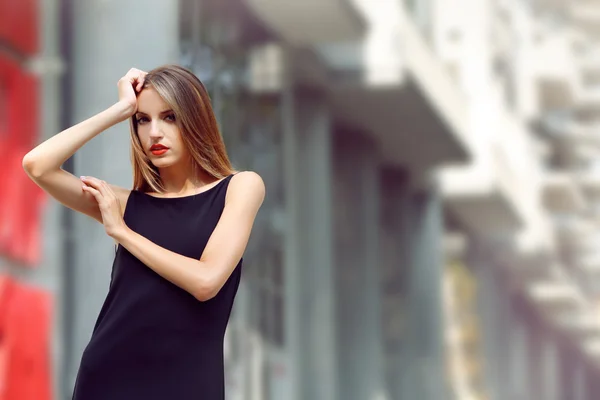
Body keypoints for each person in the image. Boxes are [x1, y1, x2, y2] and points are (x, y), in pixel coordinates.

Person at [22, 65, 265, 399]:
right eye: (142, 120)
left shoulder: (240, 187)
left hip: (188, 385)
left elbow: (206, 281)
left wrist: (123, 233)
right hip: (108, 378)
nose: (154, 133)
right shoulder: (125, 203)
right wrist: (120, 109)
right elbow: (37, 164)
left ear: (195, 119)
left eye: (169, 117)